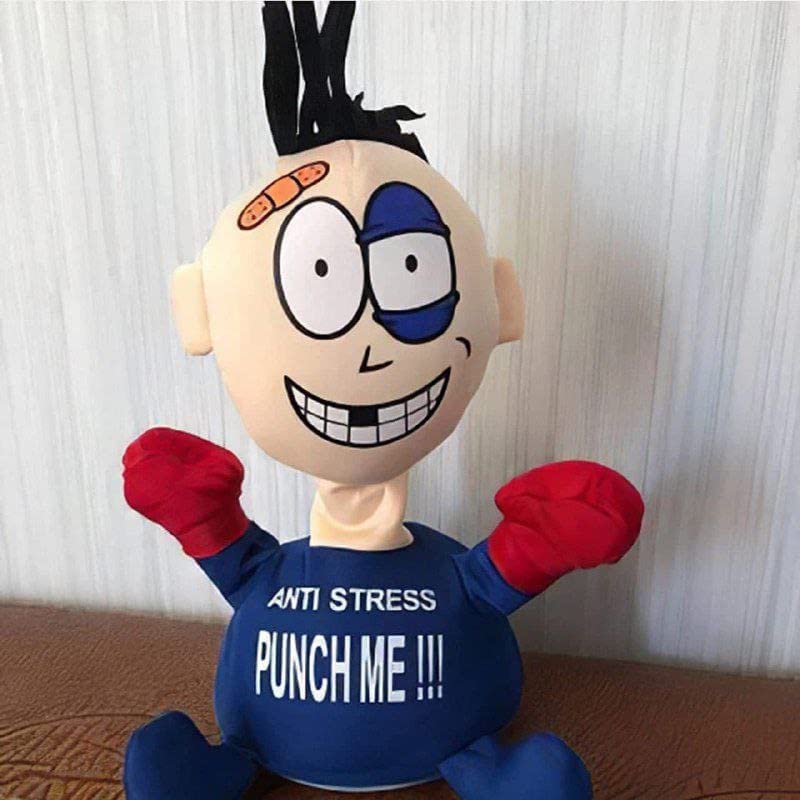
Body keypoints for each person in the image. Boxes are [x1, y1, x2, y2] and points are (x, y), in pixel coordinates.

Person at [122, 3, 643, 798]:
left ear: (501, 302)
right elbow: (236, 562)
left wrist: (542, 540)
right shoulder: (272, 573)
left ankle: (486, 770)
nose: (369, 350)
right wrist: (201, 514)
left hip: (461, 743)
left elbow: (491, 581)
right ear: (200, 314)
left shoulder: (448, 580)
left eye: (409, 271)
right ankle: (220, 768)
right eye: (321, 282)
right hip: (262, 739)